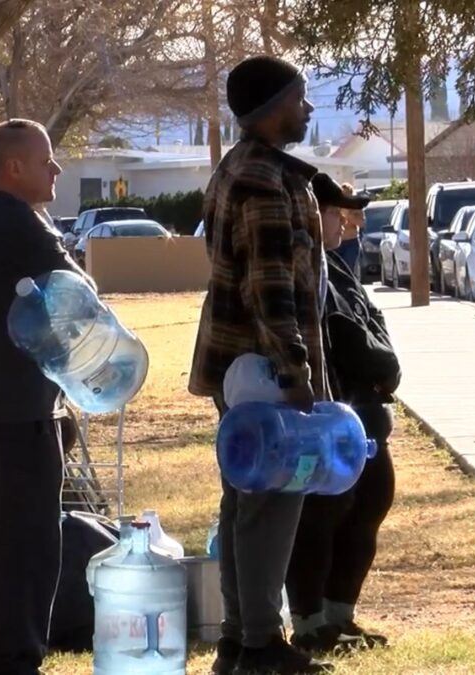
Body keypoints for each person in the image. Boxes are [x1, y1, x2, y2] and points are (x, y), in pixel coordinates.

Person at [188, 55, 333, 675]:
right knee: (272, 500)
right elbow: (269, 287)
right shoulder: (262, 180)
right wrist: (296, 372)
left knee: (243, 499)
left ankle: (237, 640)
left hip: (240, 365)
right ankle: (260, 646)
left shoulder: (246, 167)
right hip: (262, 370)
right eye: (300, 99)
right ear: (272, 109)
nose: (307, 109)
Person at [0, 118, 86, 675]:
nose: (56, 169)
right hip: (17, 405)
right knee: (26, 539)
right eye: (46, 161)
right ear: (14, 167)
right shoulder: (19, 221)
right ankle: (13, 657)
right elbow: (80, 293)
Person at [285, 174, 399, 653]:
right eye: (336, 213)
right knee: (323, 515)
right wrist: (380, 365)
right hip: (331, 416)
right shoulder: (307, 265)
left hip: (367, 416)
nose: (346, 223)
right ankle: (311, 622)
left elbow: (373, 320)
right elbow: (347, 338)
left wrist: (384, 365)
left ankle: (340, 615)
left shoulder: (338, 264)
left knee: (370, 503)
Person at [332, 182, 364, 272]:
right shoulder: (336, 206)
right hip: (337, 242)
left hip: (351, 242)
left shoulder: (356, 207)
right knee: (336, 269)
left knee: (349, 269)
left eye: (347, 193)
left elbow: (362, 223)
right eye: (343, 193)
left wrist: (349, 215)